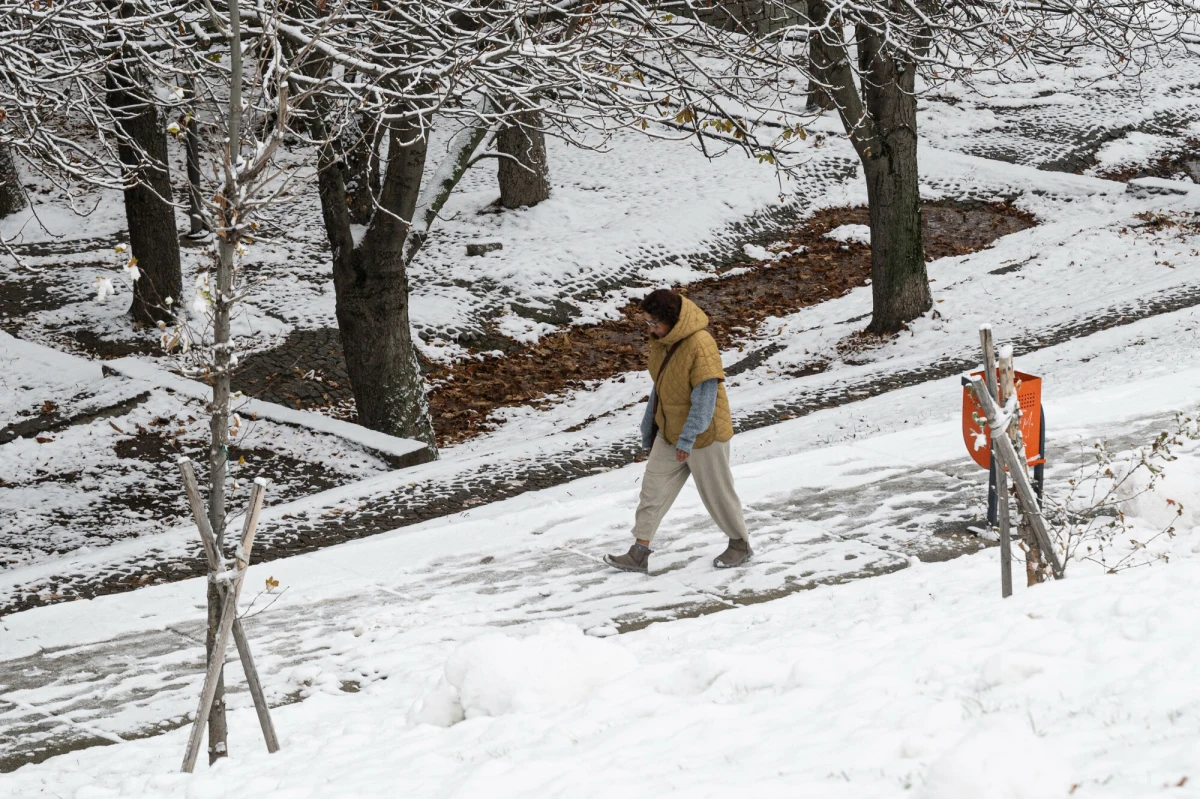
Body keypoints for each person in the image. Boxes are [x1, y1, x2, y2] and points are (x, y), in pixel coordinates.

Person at [605, 288, 752, 574]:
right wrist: (650, 426)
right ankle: (639, 552)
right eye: (646, 322)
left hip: (704, 434)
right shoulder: (662, 342)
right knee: (652, 491)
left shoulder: (700, 344)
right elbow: (662, 385)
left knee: (717, 494)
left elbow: (705, 398)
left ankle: (740, 544)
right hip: (670, 431)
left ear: (673, 320)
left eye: (654, 323)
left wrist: (688, 438)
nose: (650, 329)